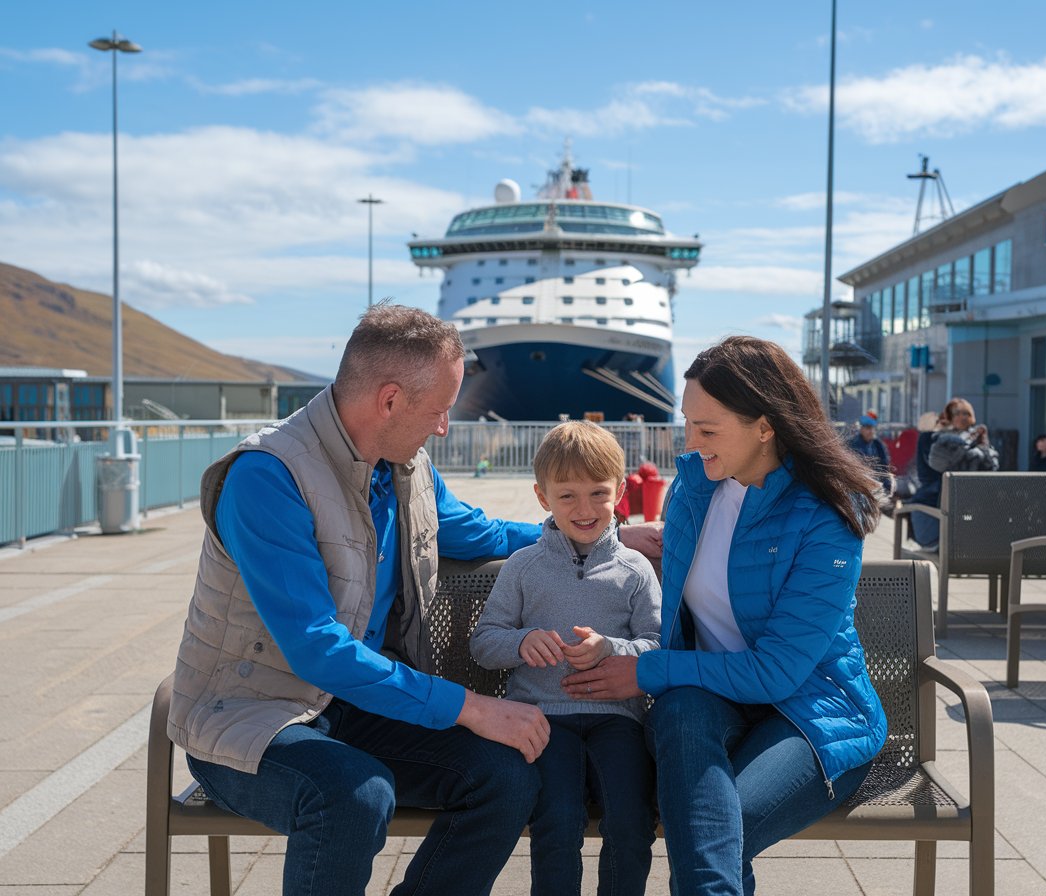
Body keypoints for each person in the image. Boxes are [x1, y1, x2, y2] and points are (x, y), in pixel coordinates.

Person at [165, 303, 661, 896]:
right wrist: (469, 707)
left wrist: (600, 535)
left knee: (507, 778)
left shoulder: (409, 468)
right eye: (440, 409)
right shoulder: (267, 478)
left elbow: (481, 533)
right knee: (353, 795)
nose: (446, 425)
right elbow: (315, 649)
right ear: (391, 400)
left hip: (355, 709)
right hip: (255, 718)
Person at [559, 335, 887, 896]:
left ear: (765, 425)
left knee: (713, 836)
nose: (690, 443)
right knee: (684, 716)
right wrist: (613, 539)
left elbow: (778, 671)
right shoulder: (693, 489)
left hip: (811, 713)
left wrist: (645, 671)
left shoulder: (825, 516)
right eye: (688, 423)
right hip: (703, 700)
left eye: (707, 430)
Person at [471, 421, 661, 896]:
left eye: (599, 493)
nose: (585, 509)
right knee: (556, 823)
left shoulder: (634, 569)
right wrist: (522, 641)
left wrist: (611, 649)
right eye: (567, 495)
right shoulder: (523, 566)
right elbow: (483, 642)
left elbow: (660, 646)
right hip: (543, 721)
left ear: (619, 491)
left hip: (618, 721)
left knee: (631, 822)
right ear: (542, 497)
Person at [906, 398, 999, 550]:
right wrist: (967, 445)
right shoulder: (936, 440)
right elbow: (939, 466)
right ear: (948, 418)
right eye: (956, 414)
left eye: (966, 413)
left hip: (969, 508)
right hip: (941, 506)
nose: (962, 417)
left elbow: (992, 469)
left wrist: (983, 445)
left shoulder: (975, 441)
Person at [847, 411, 893, 496]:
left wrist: (886, 484)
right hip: (859, 486)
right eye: (868, 428)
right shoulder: (852, 444)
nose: (871, 431)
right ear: (861, 429)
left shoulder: (878, 445)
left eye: (872, 428)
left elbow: (884, 466)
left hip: (876, 485)